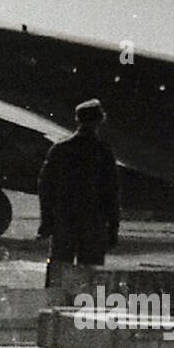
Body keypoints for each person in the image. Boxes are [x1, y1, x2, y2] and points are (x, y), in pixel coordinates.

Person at [37, 99, 120, 268]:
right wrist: (113, 228)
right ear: (100, 120)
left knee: (59, 271)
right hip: (93, 222)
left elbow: (45, 187)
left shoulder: (60, 148)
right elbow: (112, 192)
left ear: (77, 119)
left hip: (64, 218)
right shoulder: (103, 151)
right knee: (90, 274)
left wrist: (46, 222)